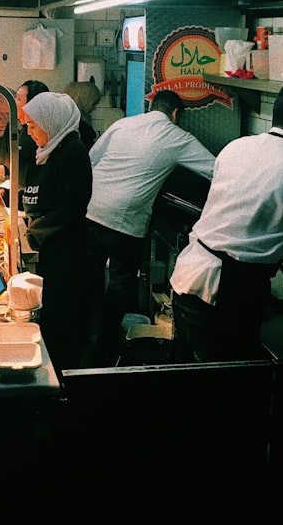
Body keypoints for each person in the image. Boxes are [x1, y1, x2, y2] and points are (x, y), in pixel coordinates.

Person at [169, 79, 283, 363]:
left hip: (187, 279)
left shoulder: (236, 147)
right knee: (234, 391)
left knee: (192, 383)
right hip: (226, 293)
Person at [85, 88, 216, 365]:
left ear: (150, 107)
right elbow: (216, 170)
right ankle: (105, 348)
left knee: (91, 276)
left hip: (91, 210)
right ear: (176, 114)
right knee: (121, 282)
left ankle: (85, 338)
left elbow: (93, 158)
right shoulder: (177, 136)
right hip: (125, 220)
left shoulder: (123, 123)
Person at [19, 91, 96, 371]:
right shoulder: (48, 150)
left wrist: (36, 230)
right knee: (53, 320)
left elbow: (72, 207)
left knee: (60, 322)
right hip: (51, 250)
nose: (29, 133)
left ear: (50, 123)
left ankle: (65, 382)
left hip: (67, 253)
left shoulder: (73, 152)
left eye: (33, 126)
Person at [0, 79, 48, 207]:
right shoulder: (24, 129)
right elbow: (17, 165)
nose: (13, 102)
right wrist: (5, 188)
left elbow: (31, 178)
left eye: (18, 99)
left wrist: (10, 196)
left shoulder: (40, 137)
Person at [62, 80, 102, 151]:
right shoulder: (73, 123)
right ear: (83, 100)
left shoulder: (82, 119)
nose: (94, 108)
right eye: (93, 104)